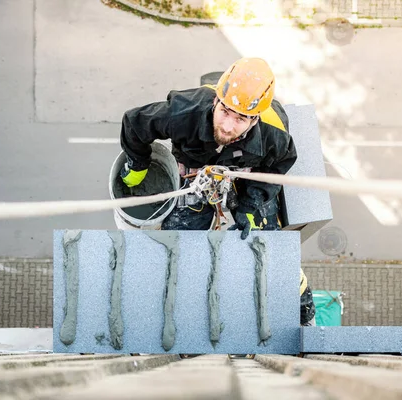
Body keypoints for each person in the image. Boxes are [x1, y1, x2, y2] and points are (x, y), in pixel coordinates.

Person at [119, 57, 315, 326]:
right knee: (181, 246)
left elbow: (280, 164)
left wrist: (253, 201)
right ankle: (186, 317)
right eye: (224, 112)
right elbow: (134, 123)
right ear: (215, 101)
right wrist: (138, 164)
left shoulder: (274, 132)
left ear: (255, 119)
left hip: (245, 173)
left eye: (240, 119)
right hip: (196, 173)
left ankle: (303, 312)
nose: (227, 126)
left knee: (269, 247)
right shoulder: (183, 112)